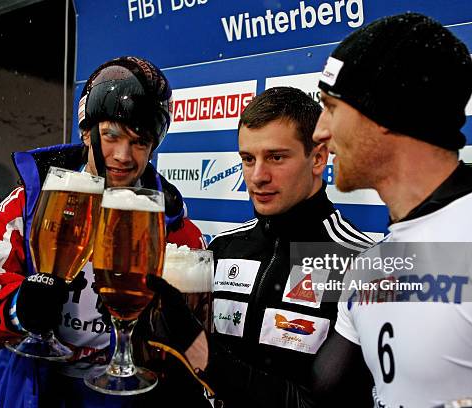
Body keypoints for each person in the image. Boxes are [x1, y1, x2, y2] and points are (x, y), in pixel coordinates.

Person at [0, 56, 205, 407]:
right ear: (85, 130)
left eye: (140, 141)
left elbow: (195, 342)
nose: (123, 155)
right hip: (32, 390)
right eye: (111, 135)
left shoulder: (174, 228)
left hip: (120, 395)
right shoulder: (30, 203)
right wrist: (16, 305)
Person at [310, 12, 472, 407]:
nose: (319, 131)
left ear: (384, 112)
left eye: (330, 106)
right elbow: (323, 394)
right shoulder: (371, 265)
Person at [142, 87, 375, 407]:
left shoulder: (360, 264)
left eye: (276, 157)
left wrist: (199, 349)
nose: (258, 176)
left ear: (318, 157)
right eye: (248, 159)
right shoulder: (222, 249)